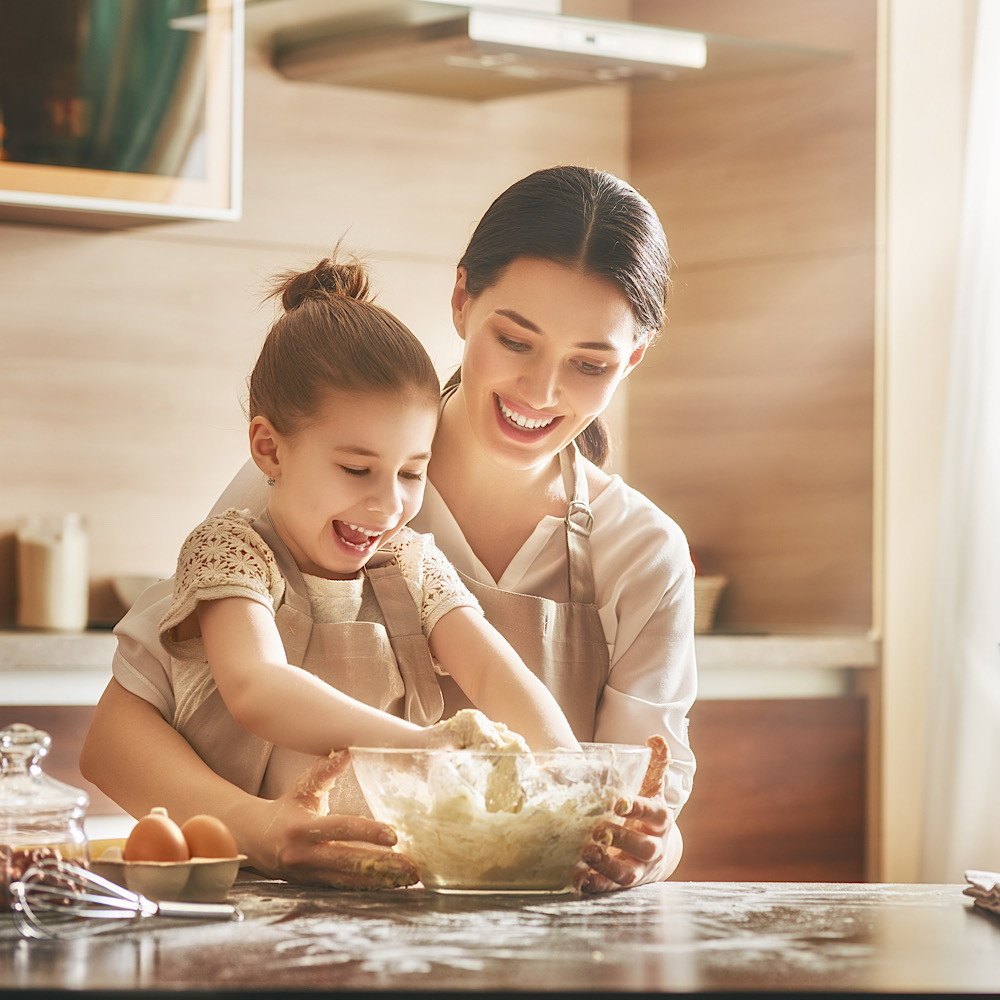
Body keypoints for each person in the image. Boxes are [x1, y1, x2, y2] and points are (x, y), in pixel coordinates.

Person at [81, 165, 696, 894]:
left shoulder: (644, 555)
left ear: (633, 360)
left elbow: (627, 799)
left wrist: (651, 852)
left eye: (589, 363)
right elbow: (116, 739)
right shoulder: (317, 474)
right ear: (463, 298)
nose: (541, 392)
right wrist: (260, 830)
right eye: (516, 340)